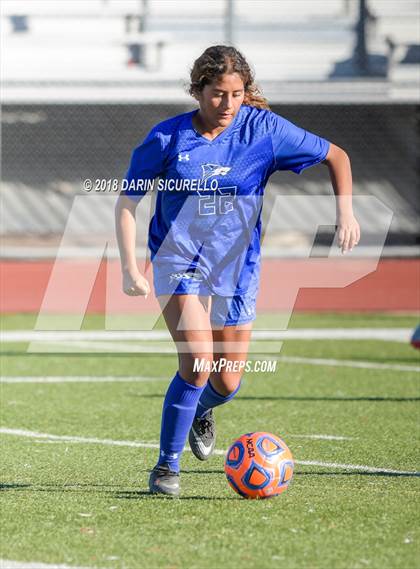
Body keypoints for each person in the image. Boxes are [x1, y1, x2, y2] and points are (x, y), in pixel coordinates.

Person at [115, 45, 360, 497]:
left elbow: (337, 156)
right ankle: (166, 467)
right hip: (178, 261)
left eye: (237, 94)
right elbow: (127, 201)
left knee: (226, 380)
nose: (227, 105)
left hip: (238, 268)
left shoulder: (262, 129)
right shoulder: (167, 138)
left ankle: (204, 409)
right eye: (217, 94)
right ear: (197, 90)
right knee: (197, 362)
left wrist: (345, 213)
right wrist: (131, 267)